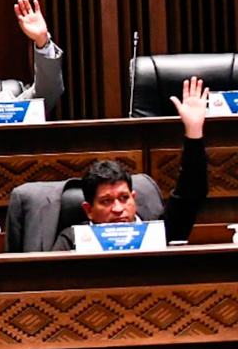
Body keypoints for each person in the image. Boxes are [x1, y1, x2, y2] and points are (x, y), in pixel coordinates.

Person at [52, 77, 209, 250]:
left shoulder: (158, 232)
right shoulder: (72, 240)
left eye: (124, 198)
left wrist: (194, 131)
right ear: (89, 210)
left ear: (134, 198)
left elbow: (190, 193)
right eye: (106, 201)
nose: (118, 209)